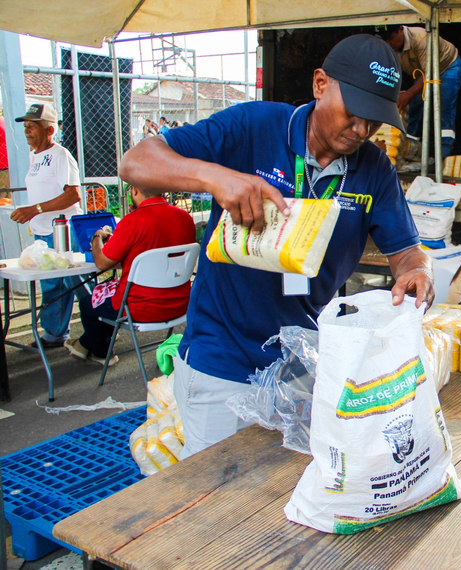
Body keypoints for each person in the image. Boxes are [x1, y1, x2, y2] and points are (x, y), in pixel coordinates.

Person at [119, 34, 433, 458]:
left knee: (278, 503)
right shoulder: (253, 127)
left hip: (302, 363)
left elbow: (406, 250)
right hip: (223, 361)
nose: (361, 129)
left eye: (375, 119)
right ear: (320, 84)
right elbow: (136, 162)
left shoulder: (373, 168)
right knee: (216, 503)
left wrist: (418, 271)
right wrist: (215, 178)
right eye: (354, 113)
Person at [64, 186, 196, 366]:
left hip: (139, 308)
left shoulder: (132, 221)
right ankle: (83, 345)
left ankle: (101, 352)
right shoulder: (185, 218)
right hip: (180, 305)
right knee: (106, 298)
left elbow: (102, 263)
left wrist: (97, 237)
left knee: (90, 302)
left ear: (134, 191)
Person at [10, 103, 83, 348]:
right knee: (52, 286)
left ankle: (100, 330)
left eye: (33, 126)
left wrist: (35, 209)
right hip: (43, 231)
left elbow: (73, 195)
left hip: (64, 230)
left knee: (79, 283)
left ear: (49, 129)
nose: (27, 131)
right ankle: (54, 334)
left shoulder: (60, 155)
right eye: (26, 126)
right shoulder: (34, 155)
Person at [377, 25, 461, 158]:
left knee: (443, 108)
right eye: (385, 40)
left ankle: (443, 156)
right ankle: (411, 151)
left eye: (391, 38)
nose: (389, 43)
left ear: (400, 30)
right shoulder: (387, 46)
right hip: (421, 73)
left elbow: (429, 75)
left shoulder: (421, 39)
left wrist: (407, 94)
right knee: (415, 107)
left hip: (446, 68)